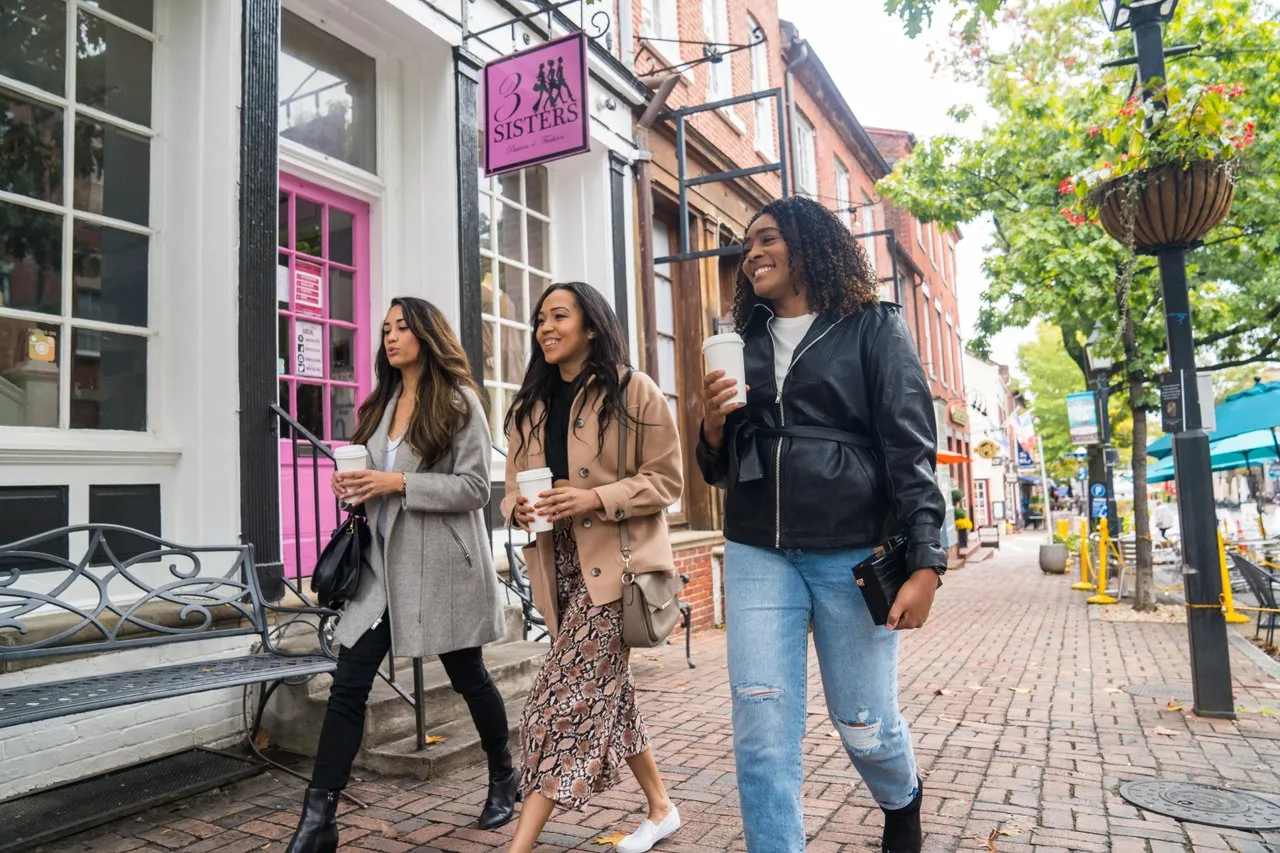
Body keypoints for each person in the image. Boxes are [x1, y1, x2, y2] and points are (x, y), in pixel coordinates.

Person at [696, 196, 947, 853]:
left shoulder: (872, 327)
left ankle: (901, 796)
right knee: (760, 720)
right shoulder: (739, 342)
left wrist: (925, 560)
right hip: (757, 549)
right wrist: (712, 426)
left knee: (863, 722)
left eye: (768, 238)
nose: (751, 253)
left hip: (851, 550)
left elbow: (909, 447)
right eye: (746, 245)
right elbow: (719, 469)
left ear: (812, 246)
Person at [286, 298, 514, 853]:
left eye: (402, 327)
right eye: (385, 328)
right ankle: (319, 819)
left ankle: (504, 773)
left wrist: (398, 485)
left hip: (440, 566)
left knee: (468, 678)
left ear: (428, 334)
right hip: (379, 569)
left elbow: (477, 489)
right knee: (349, 684)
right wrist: (356, 486)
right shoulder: (381, 403)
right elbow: (372, 480)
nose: (390, 337)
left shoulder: (460, 402)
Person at [500, 282, 684, 853]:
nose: (545, 328)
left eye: (559, 316)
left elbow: (667, 481)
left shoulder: (635, 392)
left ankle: (519, 847)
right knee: (607, 690)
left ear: (591, 326)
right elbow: (509, 491)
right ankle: (661, 807)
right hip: (557, 570)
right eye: (539, 320)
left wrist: (595, 499)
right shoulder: (530, 404)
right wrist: (520, 508)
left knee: (560, 703)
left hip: (616, 572)